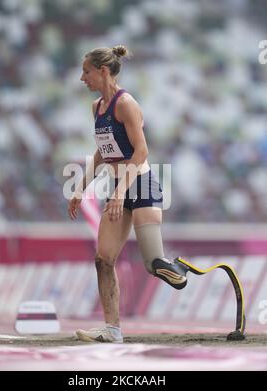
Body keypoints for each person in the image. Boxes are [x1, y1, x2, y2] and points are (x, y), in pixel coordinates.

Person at [68, 45, 188, 343]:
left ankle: (179, 267)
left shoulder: (126, 104)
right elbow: (103, 151)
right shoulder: (96, 107)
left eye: (86, 71)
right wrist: (80, 188)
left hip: (142, 184)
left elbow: (142, 151)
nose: (82, 78)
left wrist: (121, 192)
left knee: (153, 266)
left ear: (103, 71)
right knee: (103, 259)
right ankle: (113, 330)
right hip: (118, 187)